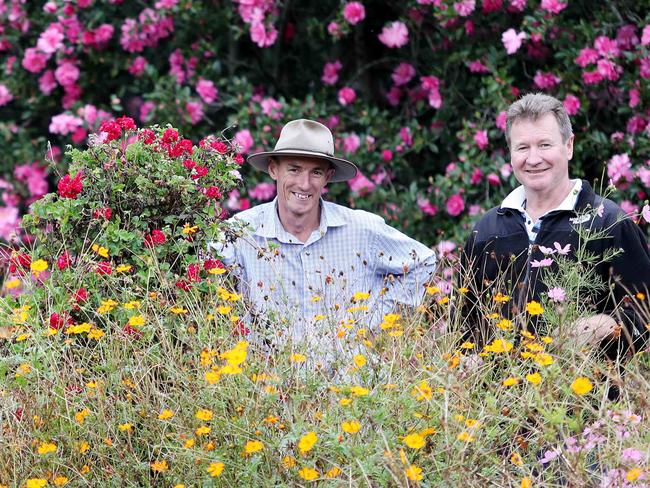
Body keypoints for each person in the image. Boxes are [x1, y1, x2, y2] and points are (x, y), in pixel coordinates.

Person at [210, 119, 437, 351]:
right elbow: (202, 284)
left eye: (316, 172)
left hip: (352, 383)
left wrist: (372, 321)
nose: (304, 184)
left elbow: (424, 262)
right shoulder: (240, 232)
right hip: (267, 381)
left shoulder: (361, 228)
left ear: (328, 177)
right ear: (273, 169)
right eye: (294, 169)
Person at [461, 93, 650, 357]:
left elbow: (646, 316)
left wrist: (604, 325)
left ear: (569, 146)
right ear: (511, 153)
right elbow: (463, 328)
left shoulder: (609, 223)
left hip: (582, 393)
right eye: (523, 147)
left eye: (545, 145)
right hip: (497, 396)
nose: (534, 158)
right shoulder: (489, 229)